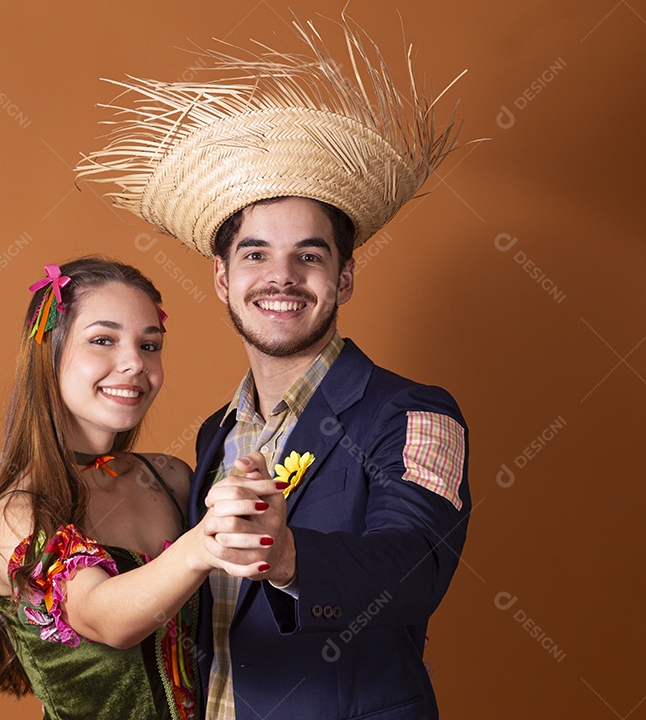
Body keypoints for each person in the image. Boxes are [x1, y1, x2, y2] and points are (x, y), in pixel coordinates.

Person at [76, 15, 474, 720]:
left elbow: (414, 567)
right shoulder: (213, 438)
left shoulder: (416, 414)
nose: (281, 278)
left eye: (309, 256)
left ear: (344, 278)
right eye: (255, 254)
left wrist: (287, 556)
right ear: (223, 282)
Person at [0, 256, 280, 720]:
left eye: (150, 345)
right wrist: (200, 546)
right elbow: (104, 618)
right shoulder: (18, 516)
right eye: (103, 340)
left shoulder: (170, 479)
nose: (133, 362)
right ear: (48, 351)